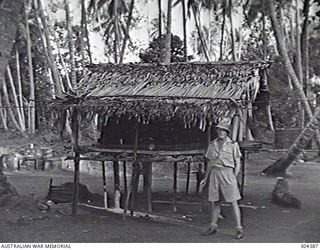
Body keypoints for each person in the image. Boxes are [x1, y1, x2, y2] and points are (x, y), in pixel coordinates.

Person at [200, 118, 243, 240]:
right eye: (219, 130)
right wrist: (205, 177)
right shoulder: (212, 144)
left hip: (228, 173)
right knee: (216, 201)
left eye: (223, 131)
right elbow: (209, 163)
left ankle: (239, 228)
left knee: (233, 201)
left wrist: (234, 176)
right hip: (215, 173)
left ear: (227, 132)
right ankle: (213, 226)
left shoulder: (233, 145)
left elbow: (238, 162)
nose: (221, 133)